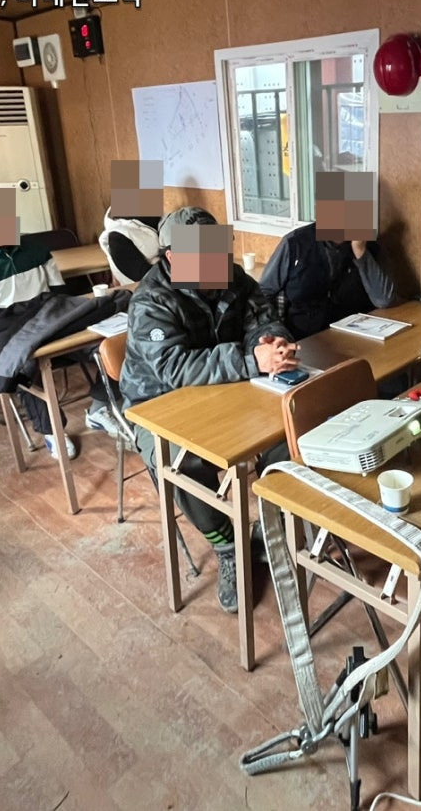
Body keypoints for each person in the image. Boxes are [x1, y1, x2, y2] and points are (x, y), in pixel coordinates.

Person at [119, 206, 297, 613]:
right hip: (157, 403)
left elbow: (264, 317)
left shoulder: (232, 277)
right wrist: (251, 361)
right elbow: (175, 368)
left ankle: (269, 527)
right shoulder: (151, 300)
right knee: (180, 460)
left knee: (288, 431)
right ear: (171, 257)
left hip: (227, 391)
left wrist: (272, 342)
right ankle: (228, 545)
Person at [0, 187, 82, 461]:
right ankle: (52, 431)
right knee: (23, 365)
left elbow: (59, 292)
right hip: (9, 332)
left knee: (106, 339)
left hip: (51, 320)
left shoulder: (36, 249)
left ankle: (102, 404)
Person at [259, 170, 396, 339]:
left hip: (354, 338)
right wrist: (276, 334)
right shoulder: (295, 244)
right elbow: (263, 293)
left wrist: (360, 250)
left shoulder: (369, 246)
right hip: (304, 339)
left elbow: (384, 299)